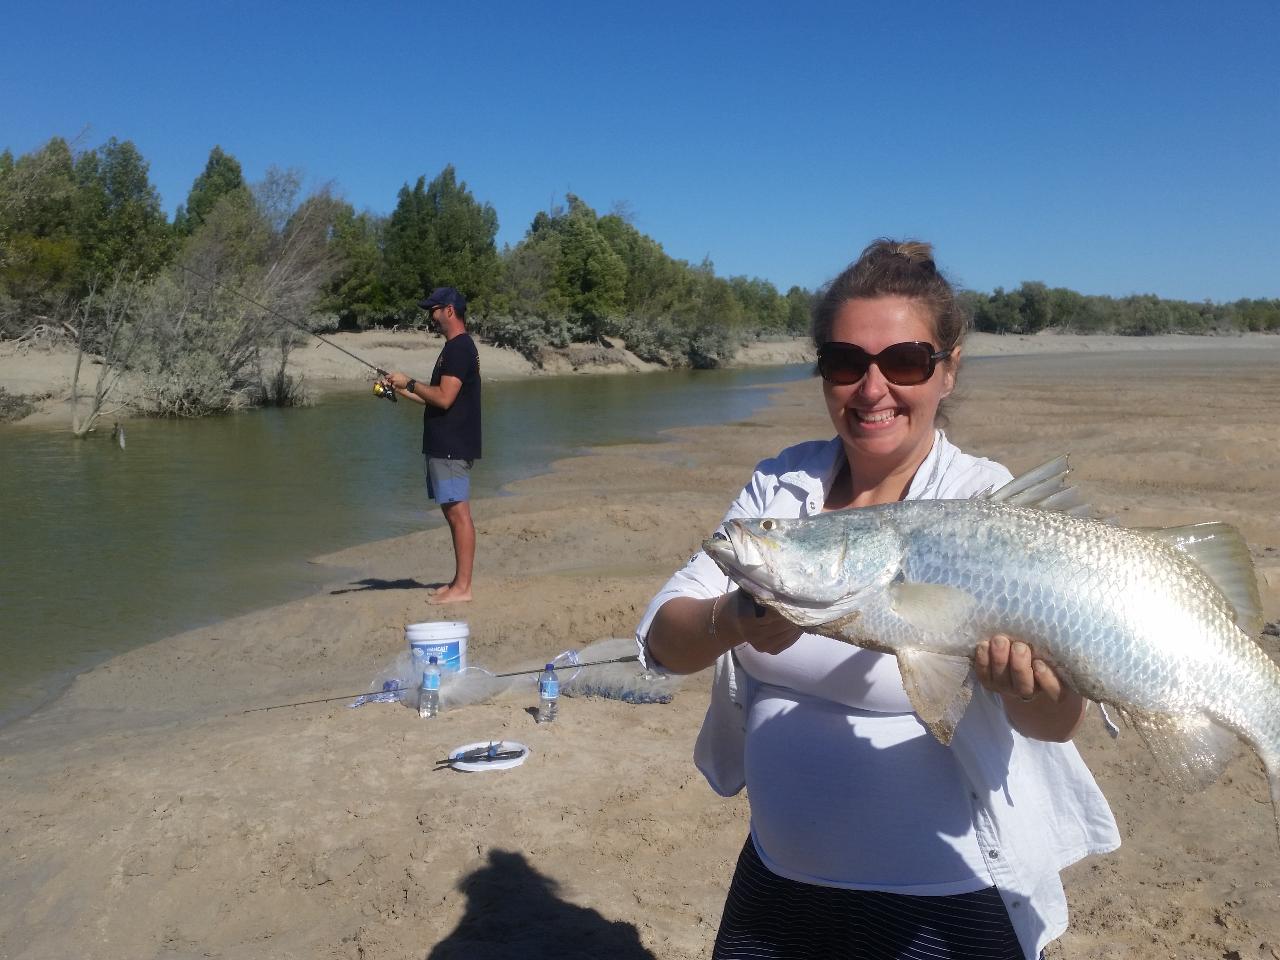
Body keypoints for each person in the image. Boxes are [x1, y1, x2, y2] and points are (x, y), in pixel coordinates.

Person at [635, 240, 1119, 960]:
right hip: (777, 884)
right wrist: (729, 620)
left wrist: (1025, 689)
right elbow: (663, 642)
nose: (871, 389)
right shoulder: (782, 490)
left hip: (948, 902)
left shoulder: (988, 504)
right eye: (844, 362)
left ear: (948, 370)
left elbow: (1058, 720)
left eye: (905, 362)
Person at [382, 286, 481, 604]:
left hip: (452, 444)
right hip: (445, 443)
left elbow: (445, 397)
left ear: (449, 311)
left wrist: (409, 380)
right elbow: (433, 398)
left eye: (433, 310)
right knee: (453, 512)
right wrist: (399, 387)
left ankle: (463, 588)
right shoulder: (453, 348)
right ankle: (458, 583)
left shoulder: (459, 349)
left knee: (458, 513)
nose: (431, 316)